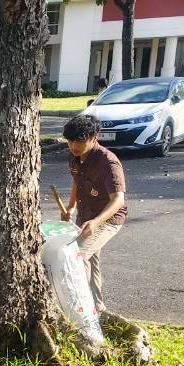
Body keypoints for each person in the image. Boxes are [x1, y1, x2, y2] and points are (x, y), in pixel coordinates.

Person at [61, 113, 126, 313]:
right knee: (91, 261)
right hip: (85, 215)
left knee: (78, 256)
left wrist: (96, 222)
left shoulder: (108, 163)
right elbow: (77, 181)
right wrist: (71, 206)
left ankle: (84, 310)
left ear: (94, 137)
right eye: (70, 141)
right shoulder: (74, 156)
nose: (74, 146)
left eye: (79, 141)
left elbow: (118, 200)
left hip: (108, 219)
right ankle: (98, 308)